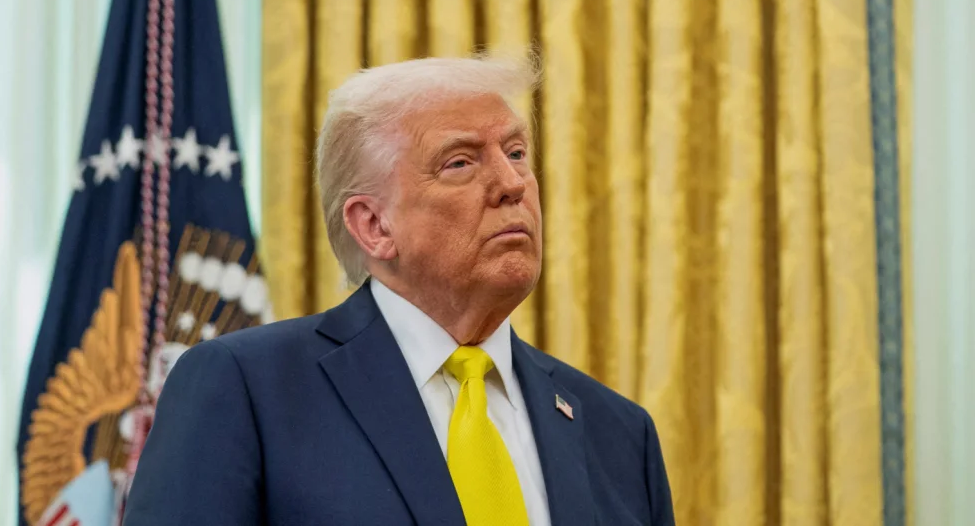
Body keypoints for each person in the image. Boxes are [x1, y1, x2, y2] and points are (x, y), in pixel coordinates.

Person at [122, 56, 675, 525]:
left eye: (516, 153)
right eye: (460, 162)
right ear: (374, 227)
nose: (512, 184)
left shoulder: (620, 434)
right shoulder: (246, 390)